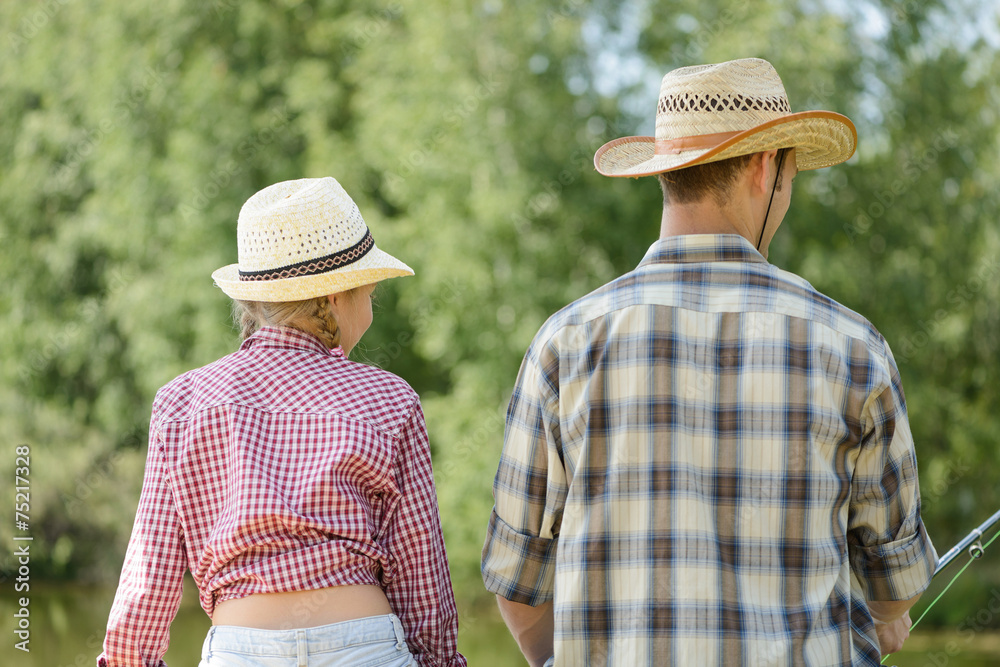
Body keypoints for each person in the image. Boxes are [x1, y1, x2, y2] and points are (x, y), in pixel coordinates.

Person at [481, 58, 937, 665]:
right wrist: (886, 619)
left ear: (667, 173)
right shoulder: (852, 349)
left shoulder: (564, 345)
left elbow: (516, 584)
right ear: (762, 166)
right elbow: (895, 583)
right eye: (791, 169)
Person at [98, 177, 466, 667]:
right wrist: (440, 661)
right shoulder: (390, 398)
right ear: (335, 298)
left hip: (240, 650)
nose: (370, 312)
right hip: (365, 647)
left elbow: (150, 574)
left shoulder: (181, 402)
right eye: (369, 294)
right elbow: (421, 572)